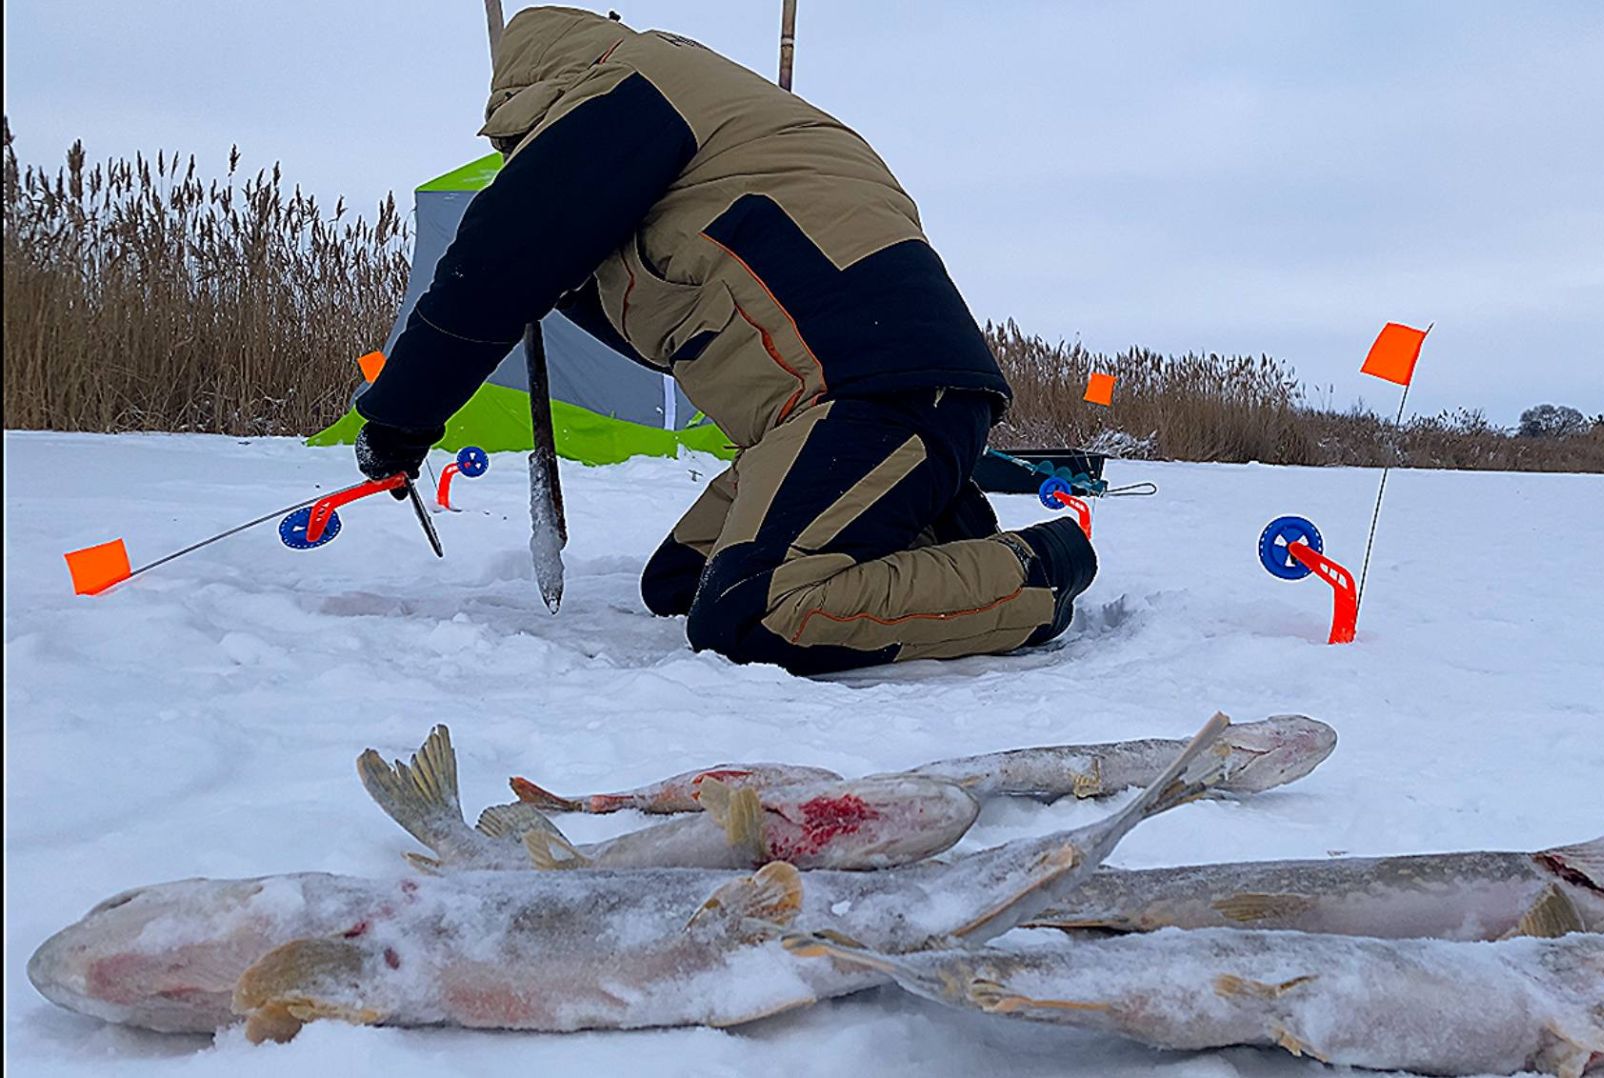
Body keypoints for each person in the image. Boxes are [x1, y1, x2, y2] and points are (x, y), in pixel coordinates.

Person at [353, 6, 1096, 675]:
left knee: (751, 608)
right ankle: (933, 526)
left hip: (873, 396)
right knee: (679, 581)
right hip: (871, 399)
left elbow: (488, 270)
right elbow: (653, 314)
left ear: (530, 100)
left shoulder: (626, 98)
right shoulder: (705, 110)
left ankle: (1032, 574)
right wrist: (553, 278)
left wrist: (397, 422)